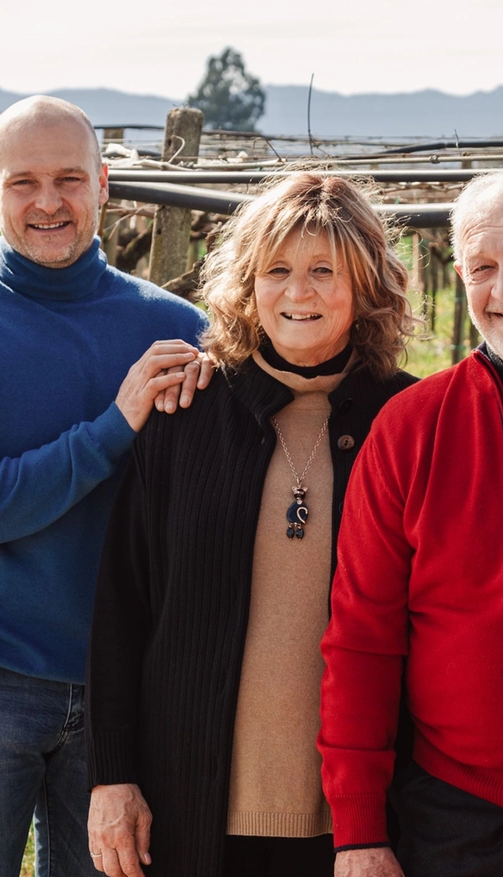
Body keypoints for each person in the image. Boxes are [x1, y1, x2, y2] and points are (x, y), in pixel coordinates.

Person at [0, 95, 210, 877]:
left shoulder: (180, 332)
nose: (49, 201)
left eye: (69, 178)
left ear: (104, 184)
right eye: (23, 182)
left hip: (120, 695)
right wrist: (112, 427)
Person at [84, 174, 420, 877]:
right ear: (248, 284)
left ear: (366, 285)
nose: (299, 292)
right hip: (191, 810)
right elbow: (122, 607)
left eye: (324, 270)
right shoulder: (186, 413)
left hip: (362, 824)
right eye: (278, 270)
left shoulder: (411, 421)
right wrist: (111, 775)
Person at [318, 170, 503, 877]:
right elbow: (362, 636)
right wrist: (359, 828)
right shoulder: (411, 428)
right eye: (484, 267)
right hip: (458, 812)